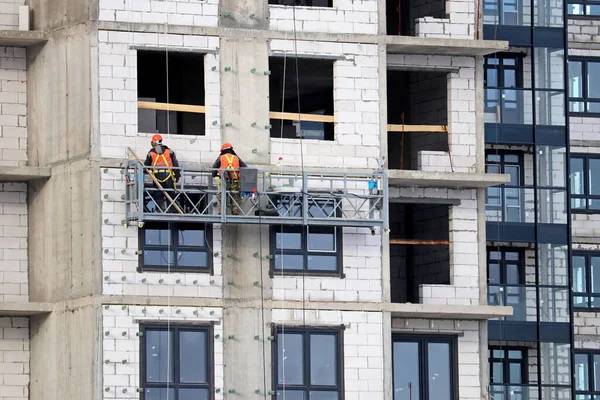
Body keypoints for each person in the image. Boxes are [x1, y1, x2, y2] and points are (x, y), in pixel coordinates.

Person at [144, 134, 181, 212]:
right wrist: (177, 176)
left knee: (158, 194)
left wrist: (144, 171)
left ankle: (160, 209)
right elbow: (175, 165)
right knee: (170, 194)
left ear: (154, 142)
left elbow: (145, 166)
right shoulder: (169, 151)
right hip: (169, 176)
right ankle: (172, 210)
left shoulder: (151, 153)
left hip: (157, 177)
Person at [212, 143, 247, 215]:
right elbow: (245, 167)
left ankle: (222, 210)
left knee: (222, 195)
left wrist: (214, 174)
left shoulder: (221, 157)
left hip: (223, 180)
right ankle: (235, 210)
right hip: (234, 181)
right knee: (234, 195)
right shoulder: (236, 158)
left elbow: (214, 168)